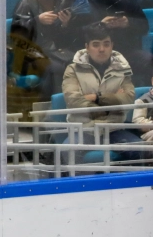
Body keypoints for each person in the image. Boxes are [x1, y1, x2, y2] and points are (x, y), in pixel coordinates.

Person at [61, 23, 142, 161]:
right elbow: (73, 100)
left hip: (113, 129)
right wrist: (111, 105)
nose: (102, 49)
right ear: (87, 47)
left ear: (112, 45)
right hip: (84, 129)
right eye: (96, 44)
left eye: (106, 44)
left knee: (139, 150)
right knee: (66, 152)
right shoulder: (73, 69)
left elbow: (128, 98)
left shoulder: (122, 68)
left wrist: (96, 98)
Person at [69, 0, 151, 81]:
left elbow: (144, 26)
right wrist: (100, 25)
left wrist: (128, 23)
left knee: (150, 61)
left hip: (124, 51)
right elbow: (73, 35)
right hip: (94, 56)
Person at [11, 0, 76, 99]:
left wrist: (65, 25)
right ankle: (53, 105)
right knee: (54, 68)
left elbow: (70, 38)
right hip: (33, 52)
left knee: (80, 62)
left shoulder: (64, 0)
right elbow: (16, 33)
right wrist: (37, 21)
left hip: (59, 51)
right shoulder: (27, 1)